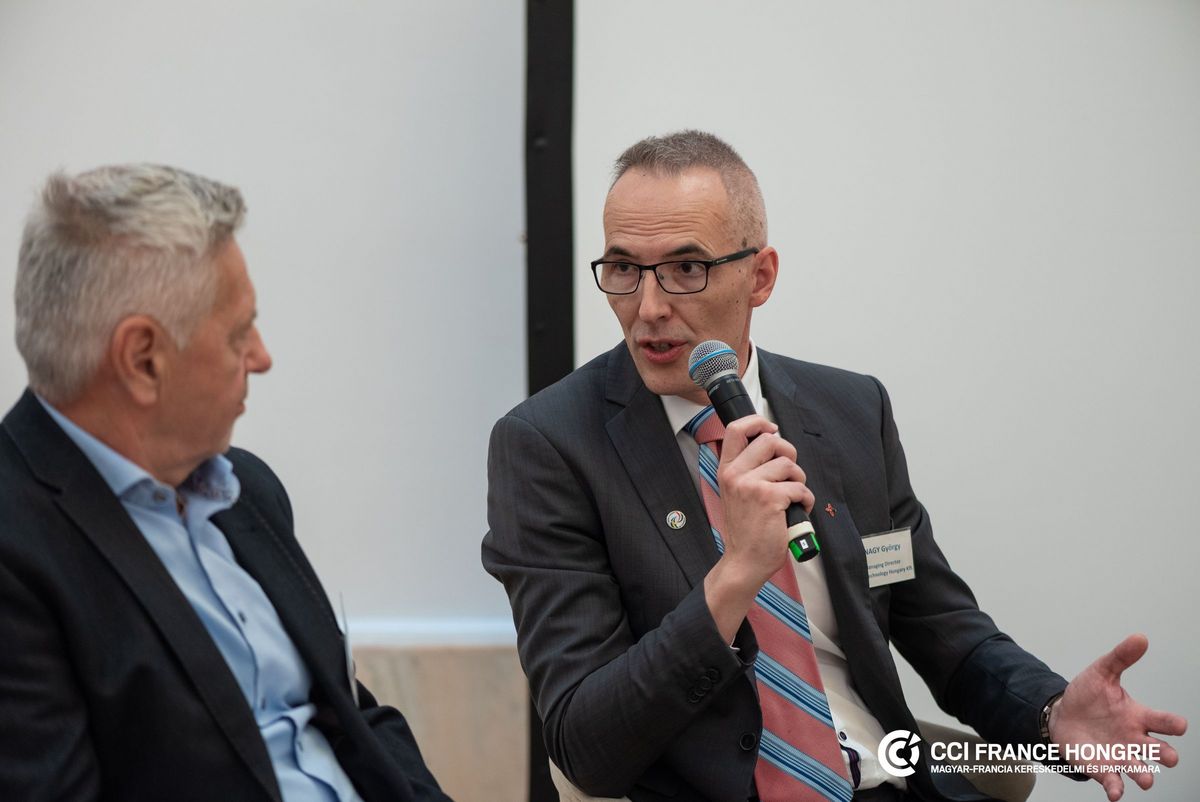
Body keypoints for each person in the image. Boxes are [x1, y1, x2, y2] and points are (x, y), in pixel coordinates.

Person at [482, 131, 1186, 802]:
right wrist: (735, 575)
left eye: (686, 270)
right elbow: (586, 744)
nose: (648, 307)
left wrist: (1051, 713)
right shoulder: (550, 446)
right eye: (624, 270)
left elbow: (942, 628)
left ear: (760, 276)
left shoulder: (850, 412)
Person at [0, 164, 452, 802]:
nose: (261, 357)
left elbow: (353, 716)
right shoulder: (17, 550)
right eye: (240, 333)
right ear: (143, 359)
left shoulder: (247, 491)